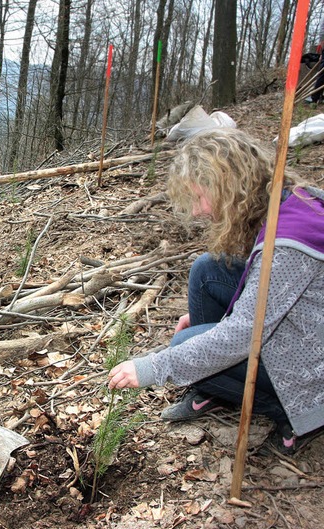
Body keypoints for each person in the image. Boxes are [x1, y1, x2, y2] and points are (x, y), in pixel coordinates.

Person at [108, 128, 324, 455]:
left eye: (199, 198)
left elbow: (241, 335)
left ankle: (294, 414)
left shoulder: (286, 248)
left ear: (227, 187)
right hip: (305, 322)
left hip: (313, 362)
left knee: (186, 343)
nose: (196, 211)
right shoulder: (281, 199)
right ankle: (217, 389)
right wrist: (214, 313)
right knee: (208, 269)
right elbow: (265, 289)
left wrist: (151, 367)